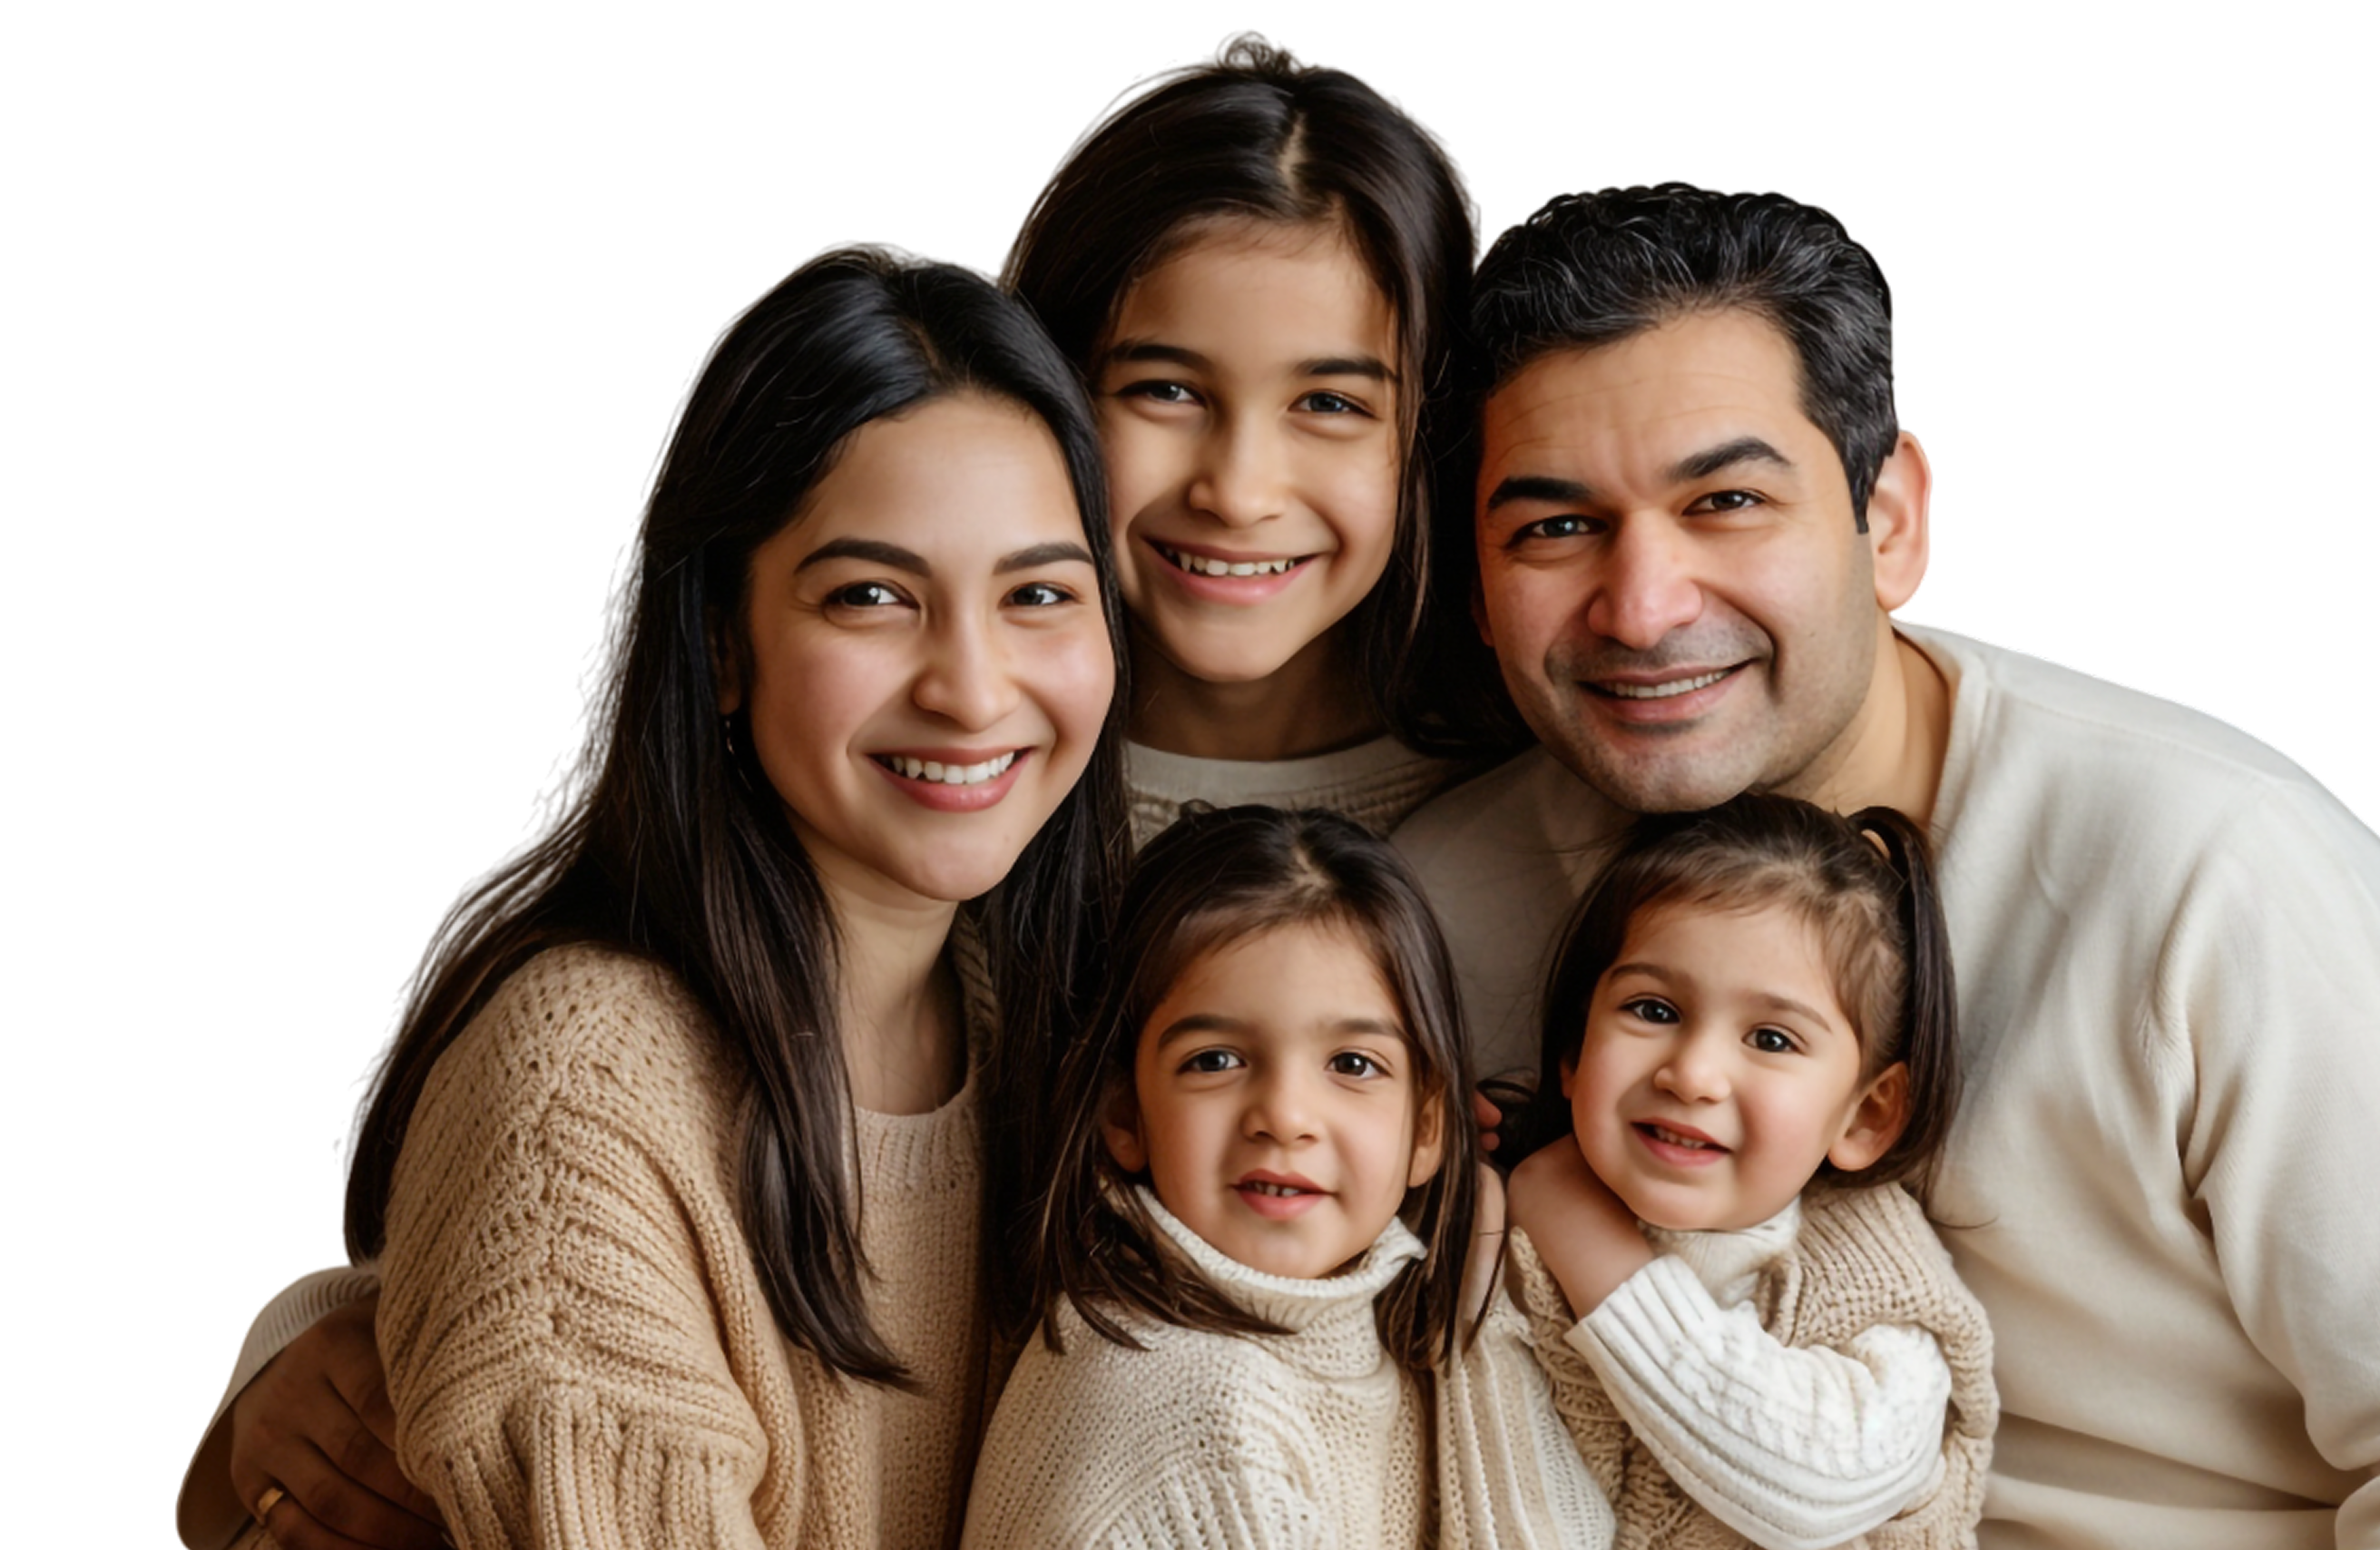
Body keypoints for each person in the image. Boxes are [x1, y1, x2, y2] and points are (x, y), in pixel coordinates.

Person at [178, 40, 1504, 1547]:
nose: (1239, 483)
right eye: (1161, 388)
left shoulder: (1080, 942)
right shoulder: (953, 857)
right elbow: (579, 1165)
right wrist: (345, 1323)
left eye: (1032, 597)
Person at [1393, 185, 2380, 1545]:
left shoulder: (2211, 870)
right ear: (1474, 580)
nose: (1643, 608)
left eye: (1729, 500)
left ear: (1892, 523)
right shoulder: (1443, 909)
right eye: (1555, 528)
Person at [200, 246, 1131, 1550]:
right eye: (871, 597)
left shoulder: (1053, 1013)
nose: (973, 690)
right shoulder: (581, 1094)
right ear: (718, 646)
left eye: (1038, 594)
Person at [1461, 796, 1995, 1550]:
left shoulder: (1875, 1281)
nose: (1694, 1074)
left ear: (1866, 1114)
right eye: (1652, 1010)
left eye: (1772, 1038)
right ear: (1576, 1052)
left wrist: (1596, 1252)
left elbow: (1819, 1487)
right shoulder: (1501, 1224)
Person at [1003, 34, 1497, 843]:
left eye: (1330, 403)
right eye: (1165, 391)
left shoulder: (1544, 800)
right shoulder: (955, 766)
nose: (1237, 494)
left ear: (1428, 433)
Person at [959, 805, 1484, 1547]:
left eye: (1353, 1065)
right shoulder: (1208, 1426)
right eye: (1216, 1061)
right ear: (1124, 1113)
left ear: (1427, 1127)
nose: (1285, 1117)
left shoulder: (1381, 1353)